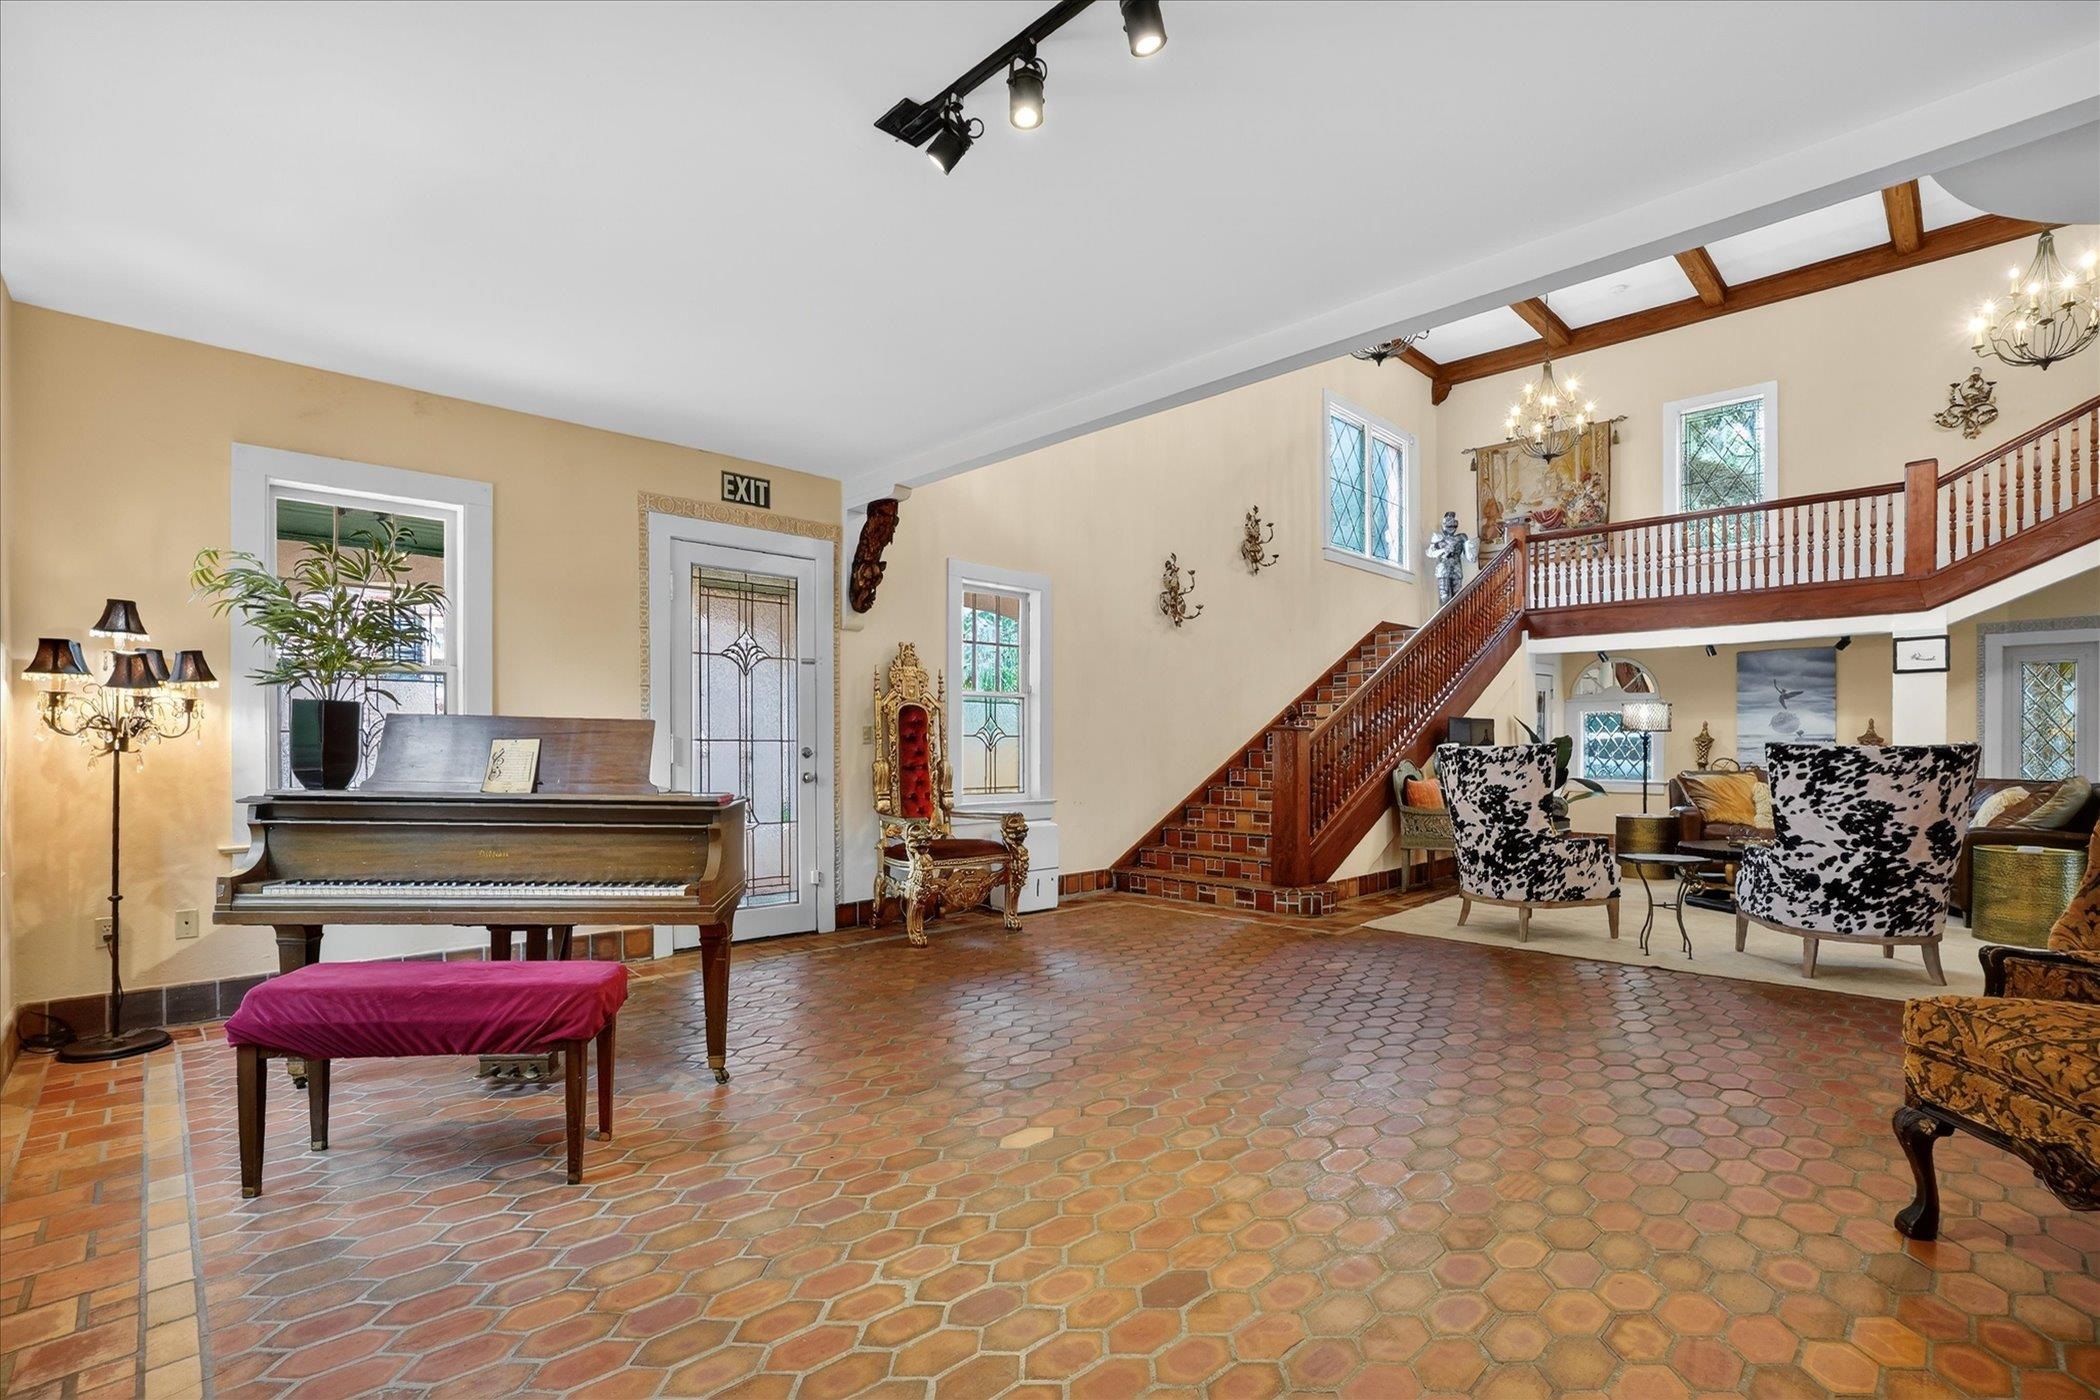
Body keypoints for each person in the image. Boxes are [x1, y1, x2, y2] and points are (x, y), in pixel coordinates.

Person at [1424, 510, 1477, 606]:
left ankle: (1455, 620)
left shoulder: (1461, 537)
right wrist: (1441, 547)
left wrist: (1471, 547)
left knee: (1456, 599)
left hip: (1456, 569)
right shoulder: (1438, 538)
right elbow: (1430, 552)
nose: (1450, 527)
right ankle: (1443, 620)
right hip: (1443, 569)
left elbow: (1470, 556)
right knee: (1444, 597)